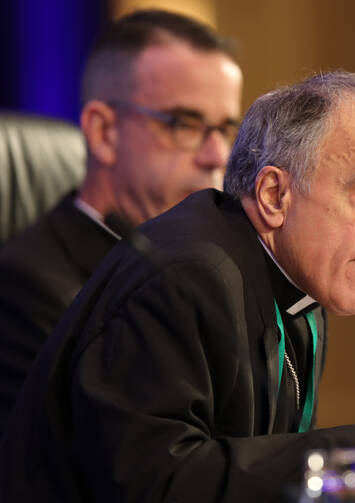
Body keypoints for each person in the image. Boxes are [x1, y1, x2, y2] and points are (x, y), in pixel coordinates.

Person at [0, 71, 355, 502]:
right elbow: (155, 484)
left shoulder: (300, 289)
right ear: (274, 194)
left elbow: (258, 472)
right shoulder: (184, 278)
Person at [0, 9, 243, 432]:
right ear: (103, 132)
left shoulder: (218, 271)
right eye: (184, 124)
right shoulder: (26, 288)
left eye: (224, 129)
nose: (216, 156)